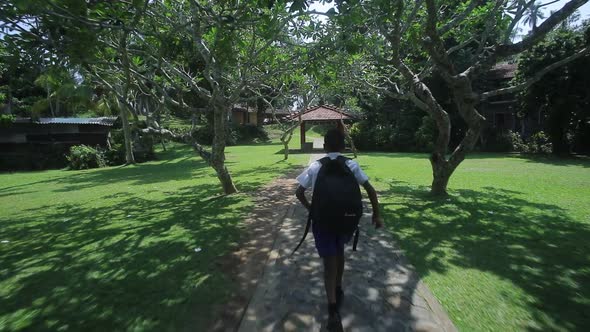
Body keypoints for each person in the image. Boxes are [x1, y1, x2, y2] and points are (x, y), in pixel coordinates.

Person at [295, 128, 383, 331]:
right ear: (343, 147)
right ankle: (338, 286)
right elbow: (370, 189)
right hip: (346, 221)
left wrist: (312, 210)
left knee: (329, 263)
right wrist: (377, 215)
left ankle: (332, 308)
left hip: (322, 222)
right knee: (339, 251)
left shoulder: (316, 165)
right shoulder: (351, 164)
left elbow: (299, 192)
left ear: (324, 146)